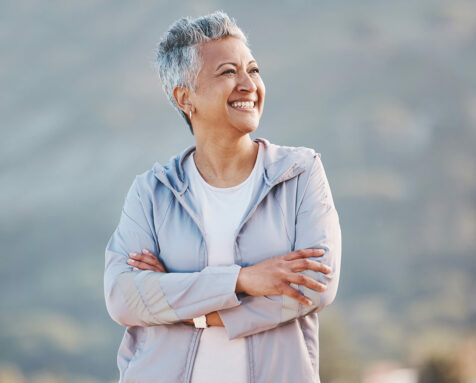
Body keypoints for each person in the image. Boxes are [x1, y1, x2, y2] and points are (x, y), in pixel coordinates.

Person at [104, 10, 342, 383]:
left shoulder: (300, 173)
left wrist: (185, 305)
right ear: (185, 98)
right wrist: (242, 281)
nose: (248, 84)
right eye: (228, 72)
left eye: (254, 70)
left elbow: (313, 287)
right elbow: (124, 296)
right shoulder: (151, 192)